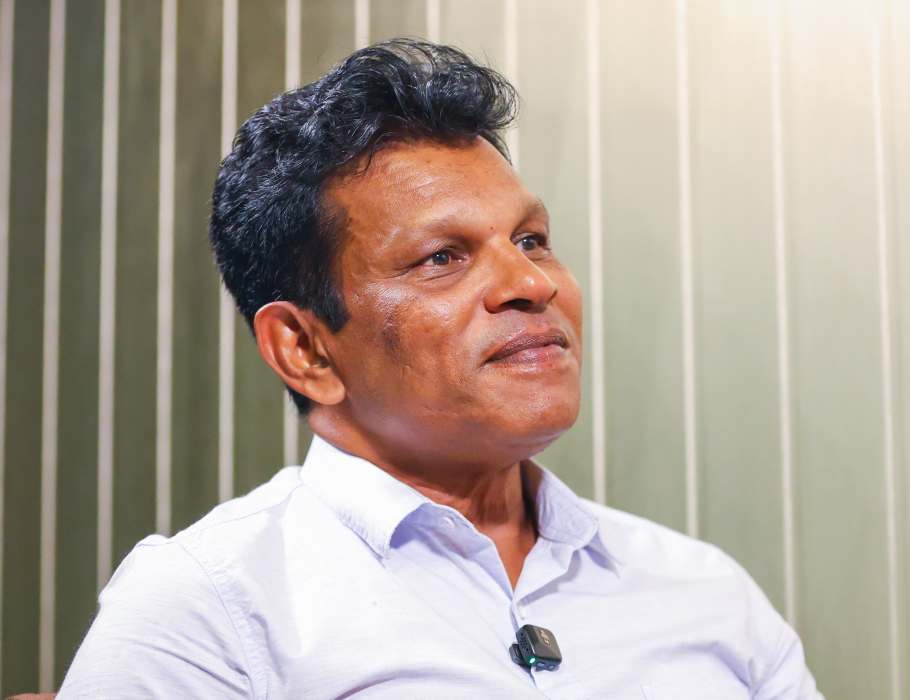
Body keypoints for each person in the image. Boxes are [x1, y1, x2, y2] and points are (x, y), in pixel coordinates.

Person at [59, 39, 823, 699]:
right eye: (442, 258)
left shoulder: (704, 591)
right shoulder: (210, 609)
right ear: (305, 348)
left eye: (531, 240)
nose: (531, 284)